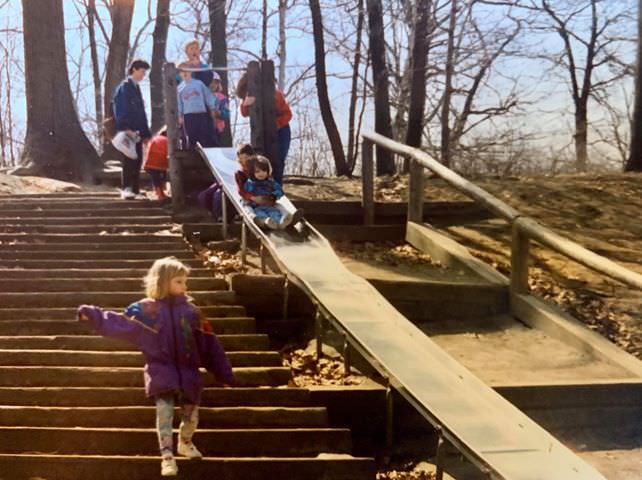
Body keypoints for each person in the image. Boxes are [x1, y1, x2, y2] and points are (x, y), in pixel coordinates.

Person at [77, 257, 234, 477]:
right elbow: (121, 324)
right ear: (164, 281)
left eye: (185, 282)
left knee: (191, 414)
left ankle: (185, 442)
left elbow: (210, 345)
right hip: (161, 371)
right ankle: (167, 456)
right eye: (179, 281)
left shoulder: (192, 313)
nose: (184, 286)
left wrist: (223, 372)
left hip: (189, 372)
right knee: (165, 412)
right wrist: (95, 316)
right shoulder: (145, 311)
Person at [235, 72, 292, 185]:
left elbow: (288, 114)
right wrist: (245, 104)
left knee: (278, 159)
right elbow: (244, 113)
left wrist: (277, 123)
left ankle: (277, 187)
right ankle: (262, 187)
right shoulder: (250, 96)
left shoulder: (276, 95)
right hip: (261, 132)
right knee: (260, 159)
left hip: (281, 131)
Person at [112, 59, 152, 200]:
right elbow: (121, 108)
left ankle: (135, 189)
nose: (143, 75)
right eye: (142, 71)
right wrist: (125, 128)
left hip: (138, 131)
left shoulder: (136, 87)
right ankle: (126, 188)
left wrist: (146, 133)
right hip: (129, 129)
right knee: (129, 159)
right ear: (134, 69)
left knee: (138, 159)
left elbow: (141, 113)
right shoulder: (125, 86)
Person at [177, 62, 220, 149]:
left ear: (191, 72)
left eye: (187, 70)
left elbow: (207, 95)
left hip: (201, 113)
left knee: (204, 135)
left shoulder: (198, 83)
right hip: (188, 115)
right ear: (180, 74)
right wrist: (180, 115)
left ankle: (206, 153)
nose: (185, 73)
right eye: (182, 71)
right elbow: (179, 103)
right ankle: (191, 152)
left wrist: (212, 108)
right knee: (191, 136)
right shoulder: (179, 88)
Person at [244, 155, 293, 230]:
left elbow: (280, 190)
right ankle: (266, 222)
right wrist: (253, 200)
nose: (261, 174)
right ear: (252, 172)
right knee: (261, 214)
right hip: (257, 207)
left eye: (264, 171)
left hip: (270, 205)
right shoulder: (251, 183)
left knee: (276, 213)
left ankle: (282, 222)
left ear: (267, 172)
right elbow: (246, 194)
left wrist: (273, 195)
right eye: (257, 171)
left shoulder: (270, 182)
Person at [143, 126, 170, 201]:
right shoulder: (167, 140)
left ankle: (159, 193)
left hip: (150, 161)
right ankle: (160, 193)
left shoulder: (155, 138)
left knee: (155, 177)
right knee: (160, 177)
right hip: (160, 162)